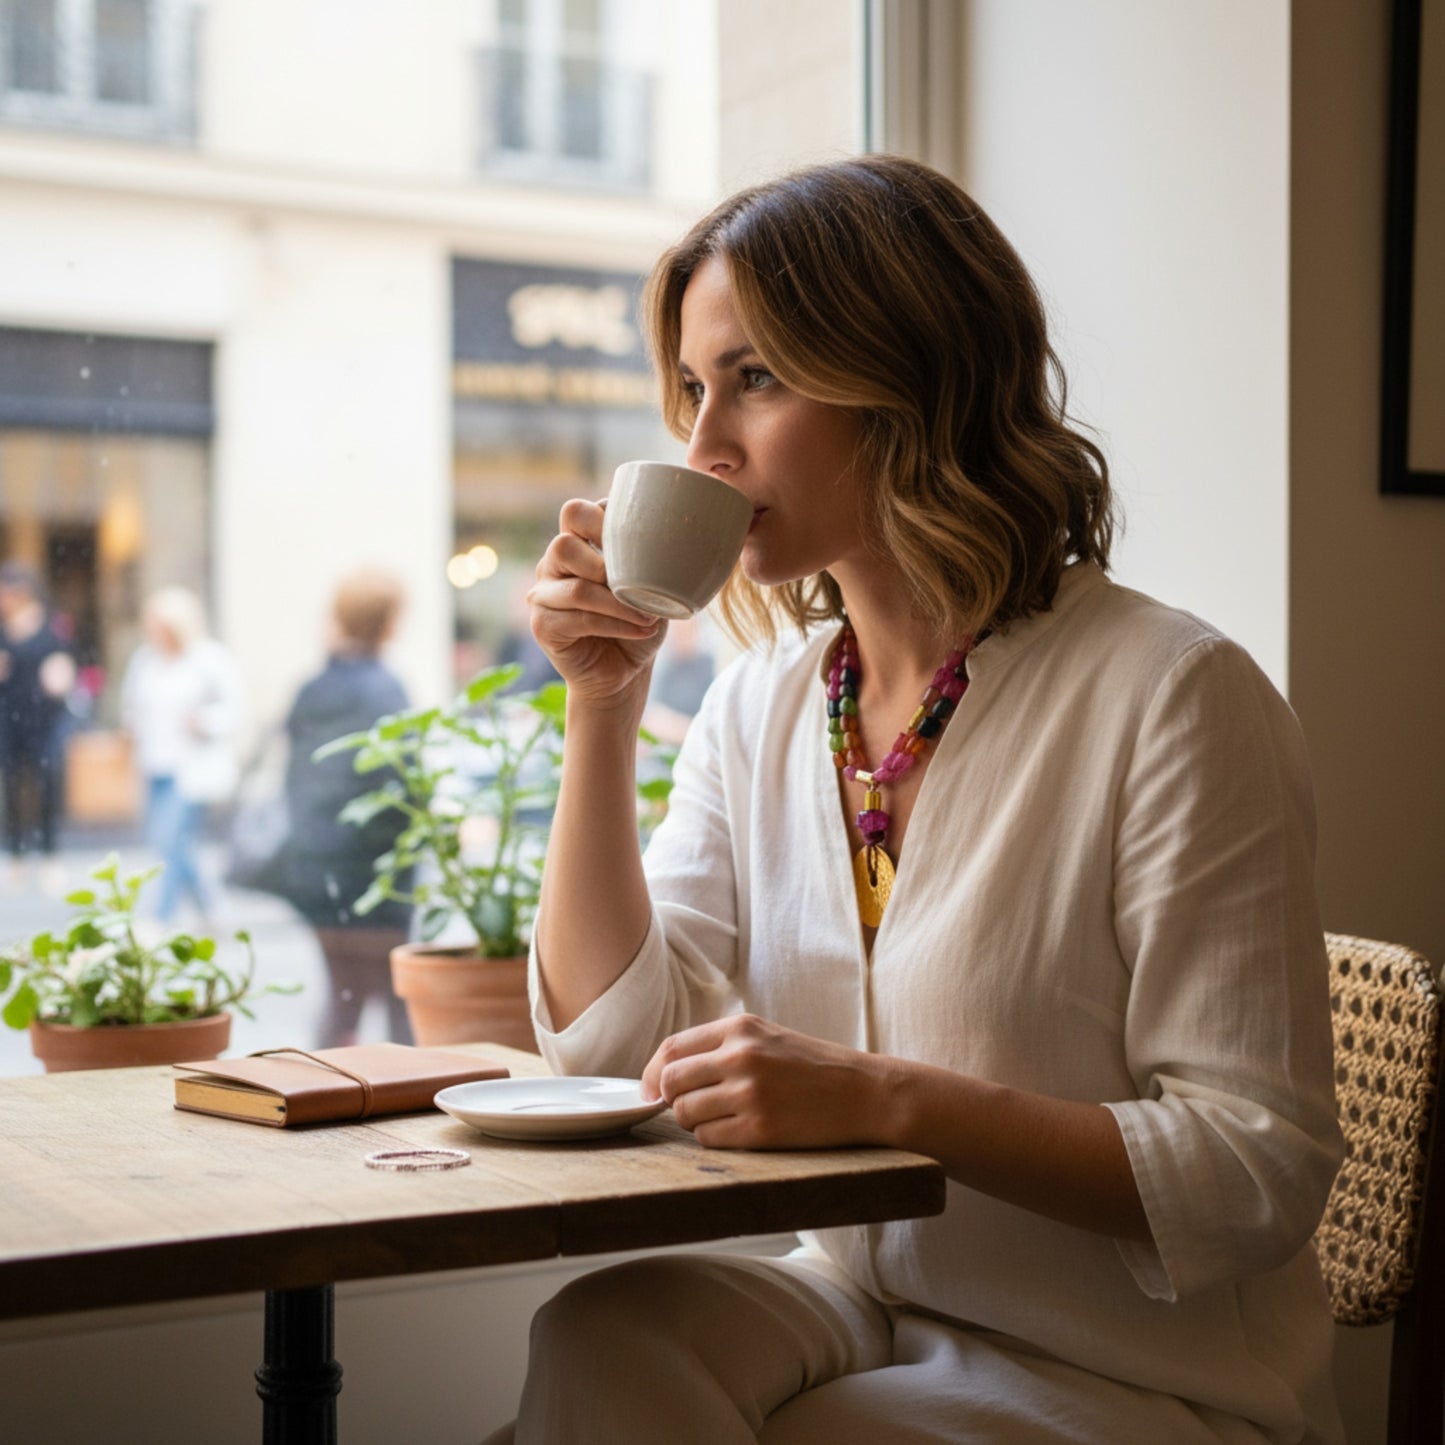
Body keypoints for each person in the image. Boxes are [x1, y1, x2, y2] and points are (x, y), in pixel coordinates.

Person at [494, 155, 1346, 1443]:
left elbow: (1252, 1166)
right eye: (688, 388)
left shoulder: (1172, 695)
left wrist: (888, 1099)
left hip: (1143, 1377)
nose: (700, 446)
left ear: (907, 377)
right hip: (856, 1297)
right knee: (601, 1334)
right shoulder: (765, 700)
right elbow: (614, 1050)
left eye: (754, 379)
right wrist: (602, 708)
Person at [278, 568, 413, 1047]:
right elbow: (403, 787)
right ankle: (408, 1095)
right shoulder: (384, 691)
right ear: (390, 623)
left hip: (317, 874)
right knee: (402, 1000)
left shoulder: (312, 688)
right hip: (375, 878)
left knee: (344, 997)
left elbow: (296, 778)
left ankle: (326, 1092)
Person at [121, 586, 243, 923]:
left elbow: (234, 709)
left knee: (168, 839)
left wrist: (203, 721)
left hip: (191, 767)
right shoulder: (145, 660)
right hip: (154, 764)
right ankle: (211, 907)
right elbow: (133, 705)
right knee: (175, 844)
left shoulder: (208, 659)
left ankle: (162, 917)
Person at [0, 563, 76, 887]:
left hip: (43, 719)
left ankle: (49, 854)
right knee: (13, 787)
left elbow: (66, 663)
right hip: (8, 716)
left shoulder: (50, 626)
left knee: (47, 785)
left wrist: (61, 675)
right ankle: (15, 855)